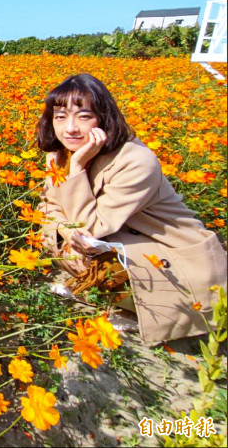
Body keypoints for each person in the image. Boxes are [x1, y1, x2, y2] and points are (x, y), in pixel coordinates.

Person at [36, 73, 226, 345]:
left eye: (84, 116)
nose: (71, 128)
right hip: (120, 243)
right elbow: (49, 206)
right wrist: (63, 232)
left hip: (171, 258)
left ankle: (145, 311)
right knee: (58, 241)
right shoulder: (58, 155)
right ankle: (123, 296)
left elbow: (91, 229)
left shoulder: (137, 161)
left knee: (92, 257)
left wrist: (77, 169)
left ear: (103, 118)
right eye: (61, 117)